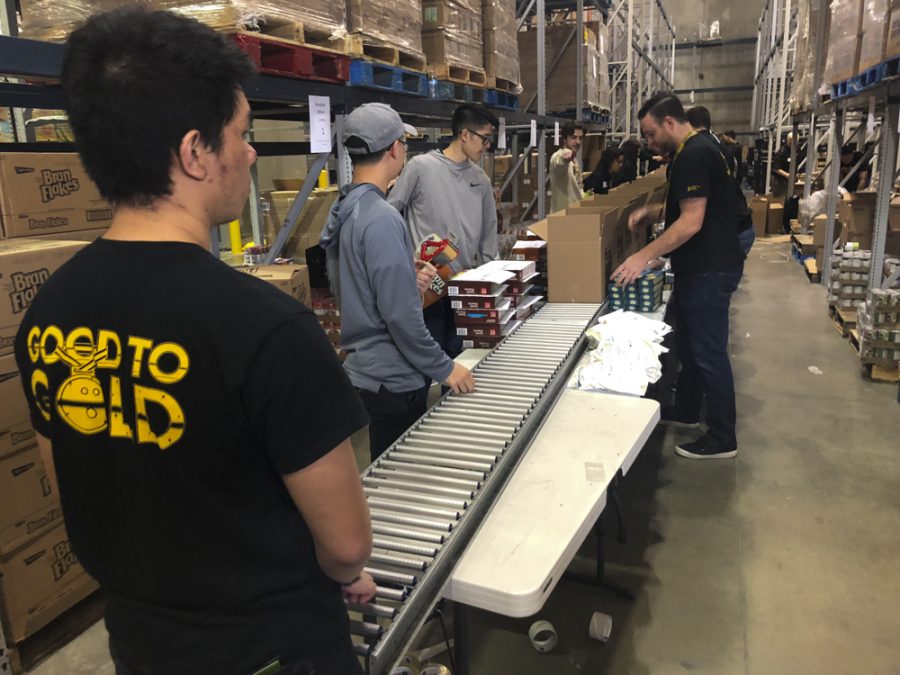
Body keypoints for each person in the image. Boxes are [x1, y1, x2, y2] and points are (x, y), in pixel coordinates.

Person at [13, 9, 376, 674]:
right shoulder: (266, 328)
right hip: (274, 648)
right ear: (194, 152)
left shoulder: (45, 317)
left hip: (142, 645)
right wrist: (343, 569)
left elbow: (72, 484)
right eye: (241, 134)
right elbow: (348, 546)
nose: (251, 151)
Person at [319, 103, 476, 462]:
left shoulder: (344, 209)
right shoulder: (382, 218)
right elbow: (401, 319)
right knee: (402, 474)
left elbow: (346, 282)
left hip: (366, 374)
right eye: (403, 143)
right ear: (393, 149)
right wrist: (446, 368)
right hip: (394, 379)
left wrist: (406, 275)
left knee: (383, 465)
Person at [611, 92, 744, 460]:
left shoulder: (695, 155)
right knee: (687, 344)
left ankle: (722, 437)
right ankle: (686, 410)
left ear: (670, 122)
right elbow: (698, 205)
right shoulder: (703, 147)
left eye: (651, 133)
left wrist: (644, 255)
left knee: (708, 353)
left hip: (708, 270)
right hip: (702, 266)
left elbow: (692, 221)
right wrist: (654, 211)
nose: (649, 142)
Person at [389, 104, 499, 359]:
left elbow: (488, 234)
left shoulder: (480, 180)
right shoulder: (421, 167)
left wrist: (490, 283)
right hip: (428, 287)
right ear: (464, 134)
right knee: (426, 358)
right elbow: (390, 213)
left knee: (461, 358)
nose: (487, 146)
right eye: (484, 138)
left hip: (465, 286)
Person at [687, 107, 754, 256]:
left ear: (688, 125)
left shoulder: (696, 150)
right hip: (742, 225)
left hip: (729, 232)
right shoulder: (720, 146)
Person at [549, 121, 585, 212]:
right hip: (562, 216)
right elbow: (559, 162)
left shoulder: (574, 160)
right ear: (565, 139)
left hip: (575, 214)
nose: (578, 142)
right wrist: (564, 158)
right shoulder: (557, 156)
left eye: (580, 138)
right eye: (573, 137)